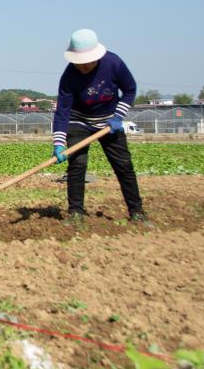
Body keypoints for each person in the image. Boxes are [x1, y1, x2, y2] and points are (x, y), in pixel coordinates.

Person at [53, 29, 149, 225]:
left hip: (109, 122)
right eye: (79, 62)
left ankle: (137, 212)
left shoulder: (113, 63)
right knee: (77, 165)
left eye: (86, 61)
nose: (83, 66)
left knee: (123, 166)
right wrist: (59, 143)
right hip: (78, 121)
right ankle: (76, 214)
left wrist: (118, 117)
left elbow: (130, 90)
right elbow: (62, 111)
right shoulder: (69, 76)